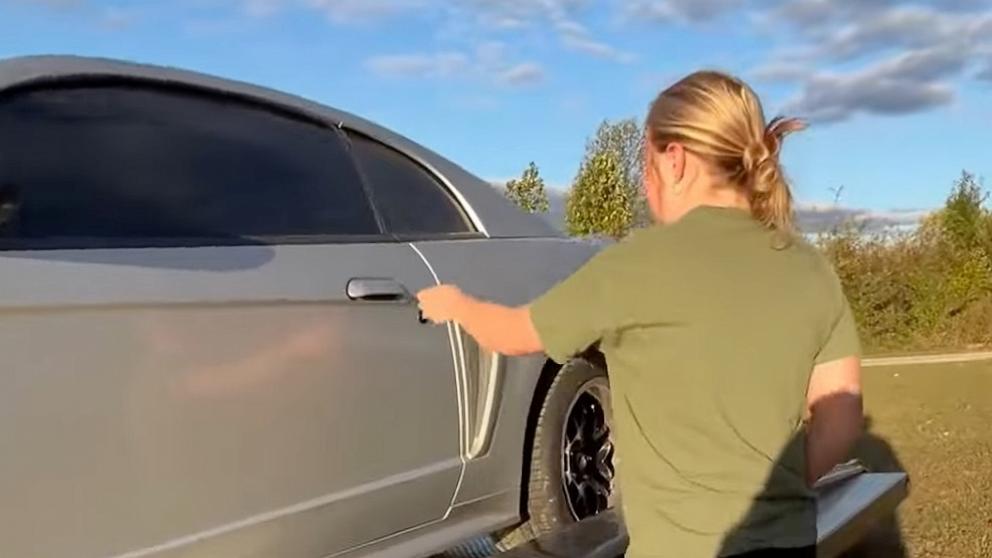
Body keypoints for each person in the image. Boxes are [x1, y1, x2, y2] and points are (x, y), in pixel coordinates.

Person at [417, 71, 863, 558]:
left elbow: (516, 334)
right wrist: (780, 486)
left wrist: (456, 305)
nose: (645, 182)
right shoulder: (808, 267)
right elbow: (839, 419)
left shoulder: (636, 265)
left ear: (675, 161)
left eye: (644, 165)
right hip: (788, 541)